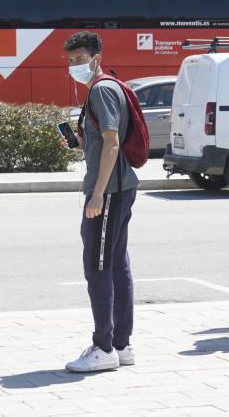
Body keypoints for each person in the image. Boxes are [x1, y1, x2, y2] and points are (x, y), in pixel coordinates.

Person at [63, 31, 140, 373]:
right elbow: (102, 143)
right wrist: (78, 143)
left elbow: (111, 144)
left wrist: (96, 194)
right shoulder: (111, 86)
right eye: (70, 61)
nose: (74, 66)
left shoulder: (101, 89)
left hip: (107, 192)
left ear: (96, 57)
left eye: (80, 59)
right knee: (117, 265)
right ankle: (121, 345)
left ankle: (104, 347)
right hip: (118, 188)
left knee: (98, 268)